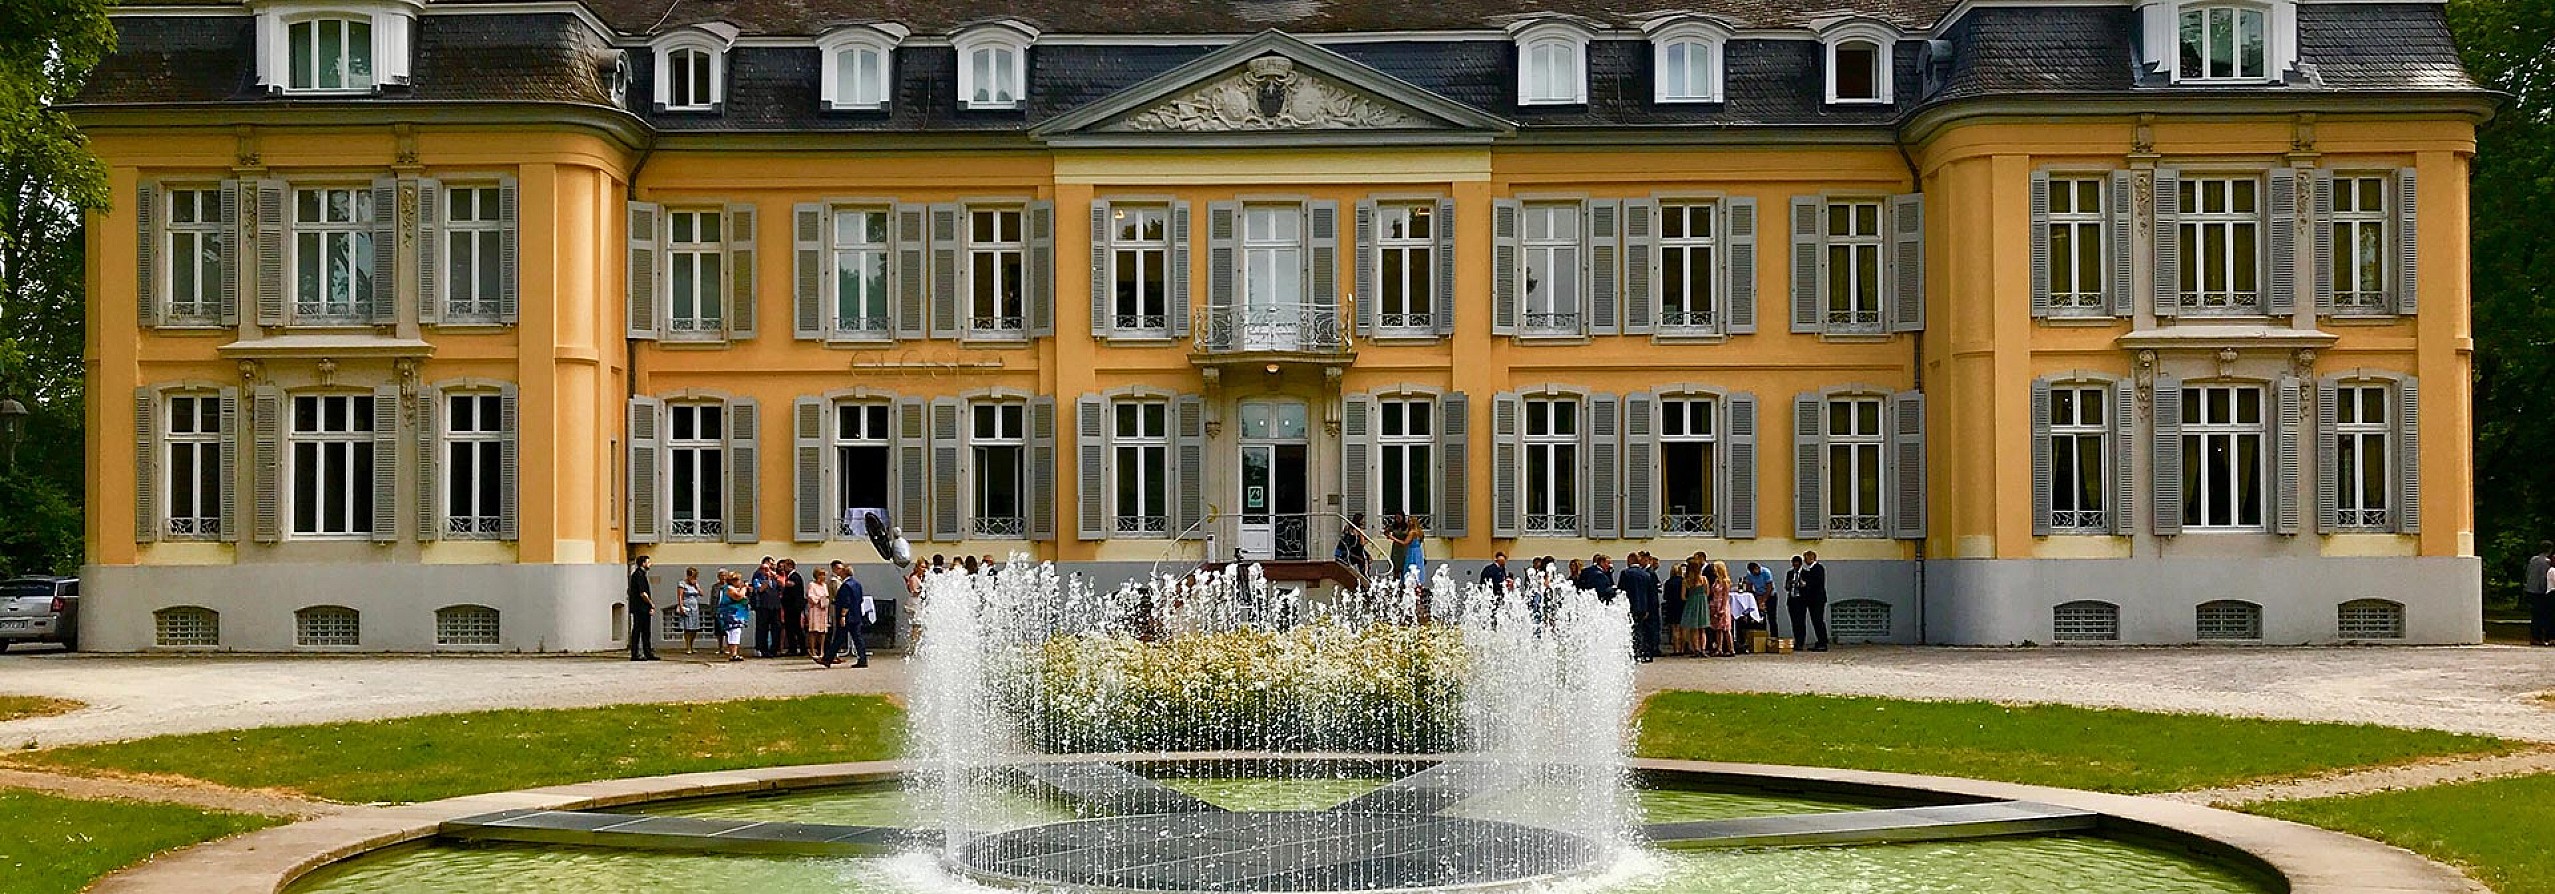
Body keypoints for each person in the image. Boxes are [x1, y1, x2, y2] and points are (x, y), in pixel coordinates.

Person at [1621, 552, 1660, 661]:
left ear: (1630, 561)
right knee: (1644, 630)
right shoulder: (1646, 575)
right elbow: (1651, 593)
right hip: (1643, 607)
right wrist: (1648, 608)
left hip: (1630, 606)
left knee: (1632, 630)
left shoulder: (1625, 573)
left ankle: (1635, 652)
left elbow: (1621, 590)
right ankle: (1646, 652)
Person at [1793, 550, 1831, 652]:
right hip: (1813, 600)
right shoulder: (1812, 569)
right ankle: (1821, 641)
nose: (1804, 560)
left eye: (1805, 558)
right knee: (1816, 621)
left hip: (1817, 600)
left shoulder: (1817, 568)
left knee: (1818, 621)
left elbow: (1817, 583)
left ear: (1811, 558)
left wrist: (1805, 584)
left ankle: (1823, 642)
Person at [838, 568, 874, 668]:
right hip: (856, 614)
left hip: (849, 615)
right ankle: (862, 659)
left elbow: (846, 601)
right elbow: (860, 599)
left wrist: (843, 615)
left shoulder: (846, 585)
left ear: (844, 573)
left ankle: (827, 658)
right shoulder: (857, 584)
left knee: (839, 637)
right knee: (857, 638)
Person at [626, 556, 660, 662]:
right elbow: (643, 593)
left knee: (645, 631)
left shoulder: (640, 574)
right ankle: (635, 653)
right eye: (648, 562)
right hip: (640, 607)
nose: (650, 564)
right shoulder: (639, 575)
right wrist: (651, 603)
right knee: (638, 630)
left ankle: (647, 652)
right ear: (643, 563)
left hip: (642, 607)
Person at [749, 557, 781, 658]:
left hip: (775, 605)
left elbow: (781, 587)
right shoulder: (758, 576)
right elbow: (760, 589)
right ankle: (762, 649)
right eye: (769, 565)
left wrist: (776, 578)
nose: (772, 567)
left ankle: (774, 649)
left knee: (776, 627)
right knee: (762, 628)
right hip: (763, 605)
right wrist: (767, 579)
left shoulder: (775, 576)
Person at [717, 570, 751, 662]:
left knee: (733, 633)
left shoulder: (731, 588)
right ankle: (734, 653)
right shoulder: (729, 588)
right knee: (735, 632)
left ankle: (733, 653)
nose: (739, 582)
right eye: (737, 580)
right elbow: (738, 596)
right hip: (731, 615)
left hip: (736, 614)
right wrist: (744, 588)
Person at [806, 568, 836, 667]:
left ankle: (822, 650)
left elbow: (827, 596)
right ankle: (812, 650)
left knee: (823, 630)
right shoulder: (812, 585)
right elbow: (810, 596)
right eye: (821, 575)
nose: (823, 577)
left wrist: (826, 600)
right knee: (814, 630)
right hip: (815, 609)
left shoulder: (824, 585)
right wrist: (819, 600)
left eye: (824, 575)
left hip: (823, 609)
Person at [778, 559, 808, 657]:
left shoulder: (795, 577)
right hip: (791, 607)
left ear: (790, 566)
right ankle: (794, 648)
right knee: (791, 628)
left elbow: (789, 585)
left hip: (793, 607)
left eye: (785, 566)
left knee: (794, 628)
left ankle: (798, 648)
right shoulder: (791, 576)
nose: (783, 568)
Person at [1706, 560, 1735, 657]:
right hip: (1715, 604)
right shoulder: (1716, 581)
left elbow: (1725, 596)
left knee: (1726, 628)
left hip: (1722, 604)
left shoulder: (1725, 582)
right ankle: (1719, 648)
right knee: (1717, 628)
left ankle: (1731, 649)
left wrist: (1722, 608)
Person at [1744, 561, 1779, 642]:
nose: (1754, 574)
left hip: (1770, 596)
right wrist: (1755, 599)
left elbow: (1769, 588)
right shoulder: (1750, 574)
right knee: (1760, 618)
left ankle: (1774, 637)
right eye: (1753, 573)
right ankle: (1762, 638)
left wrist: (1763, 601)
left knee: (1772, 617)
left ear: (1758, 568)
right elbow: (1749, 587)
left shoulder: (1766, 572)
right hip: (1758, 595)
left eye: (1755, 572)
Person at [674, 567, 705, 654]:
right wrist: (681, 607)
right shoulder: (682, 583)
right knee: (687, 628)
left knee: (694, 628)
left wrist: (696, 586)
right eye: (692, 576)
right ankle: (688, 647)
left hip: (694, 607)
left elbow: (702, 594)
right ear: (688, 575)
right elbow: (680, 596)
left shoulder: (695, 584)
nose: (693, 578)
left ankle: (692, 645)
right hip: (686, 605)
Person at [2530, 542, 2554, 647]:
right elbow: (2544, 578)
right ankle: (2539, 637)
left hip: (2531, 589)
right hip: (2540, 592)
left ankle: (2534, 637)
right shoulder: (2546, 562)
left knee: (2535, 615)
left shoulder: (2533, 559)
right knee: (2542, 615)